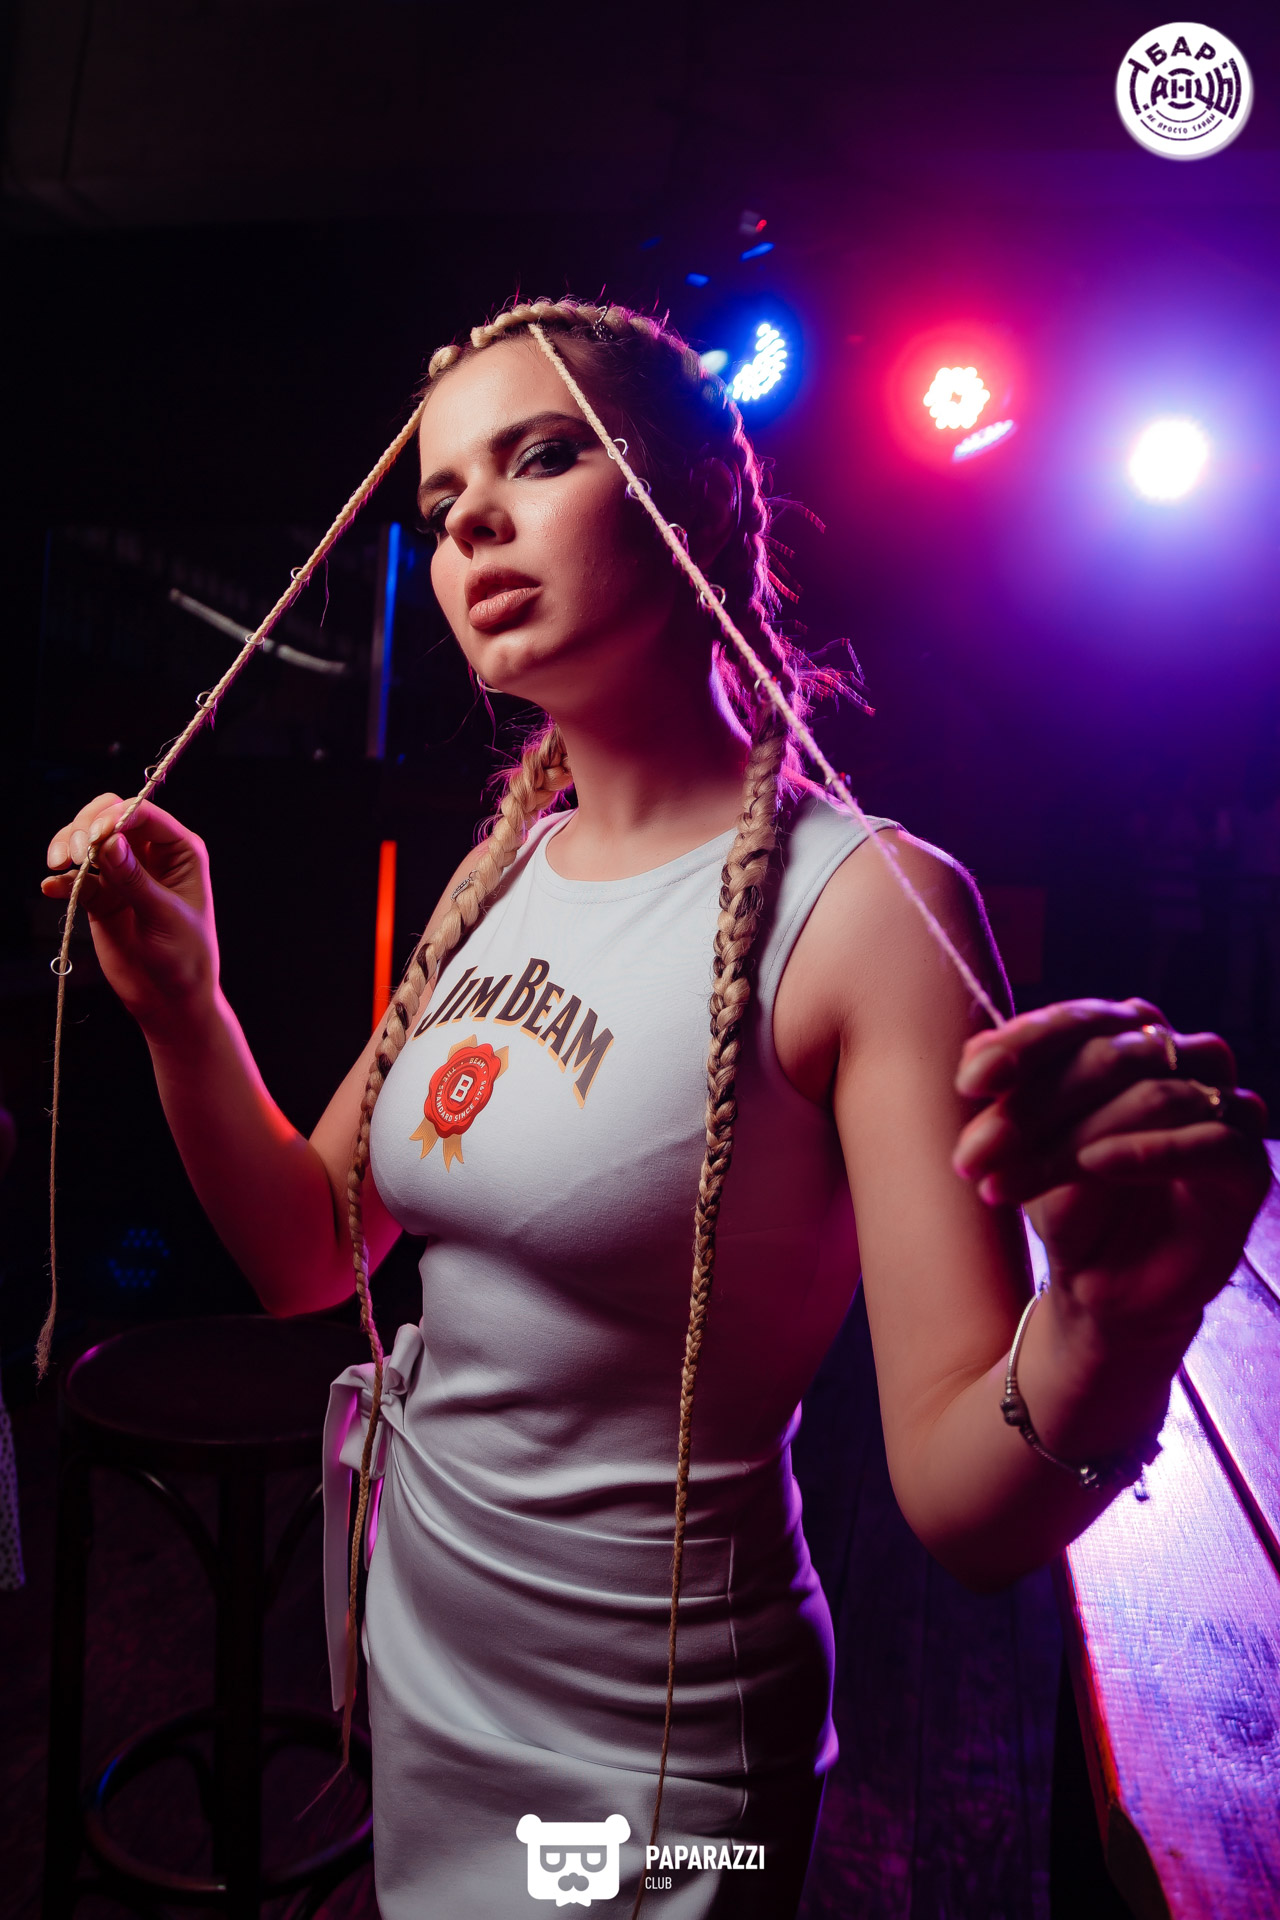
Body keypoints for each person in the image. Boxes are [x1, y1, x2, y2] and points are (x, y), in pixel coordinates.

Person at [42, 299, 1270, 1919]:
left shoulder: (864, 910)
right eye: (441, 500)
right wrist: (182, 1007)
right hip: (421, 1654)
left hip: (661, 1741)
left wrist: (1114, 1327)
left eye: (541, 457)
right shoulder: (500, 876)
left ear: (693, 504)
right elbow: (306, 1252)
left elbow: (964, 1510)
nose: (470, 521)